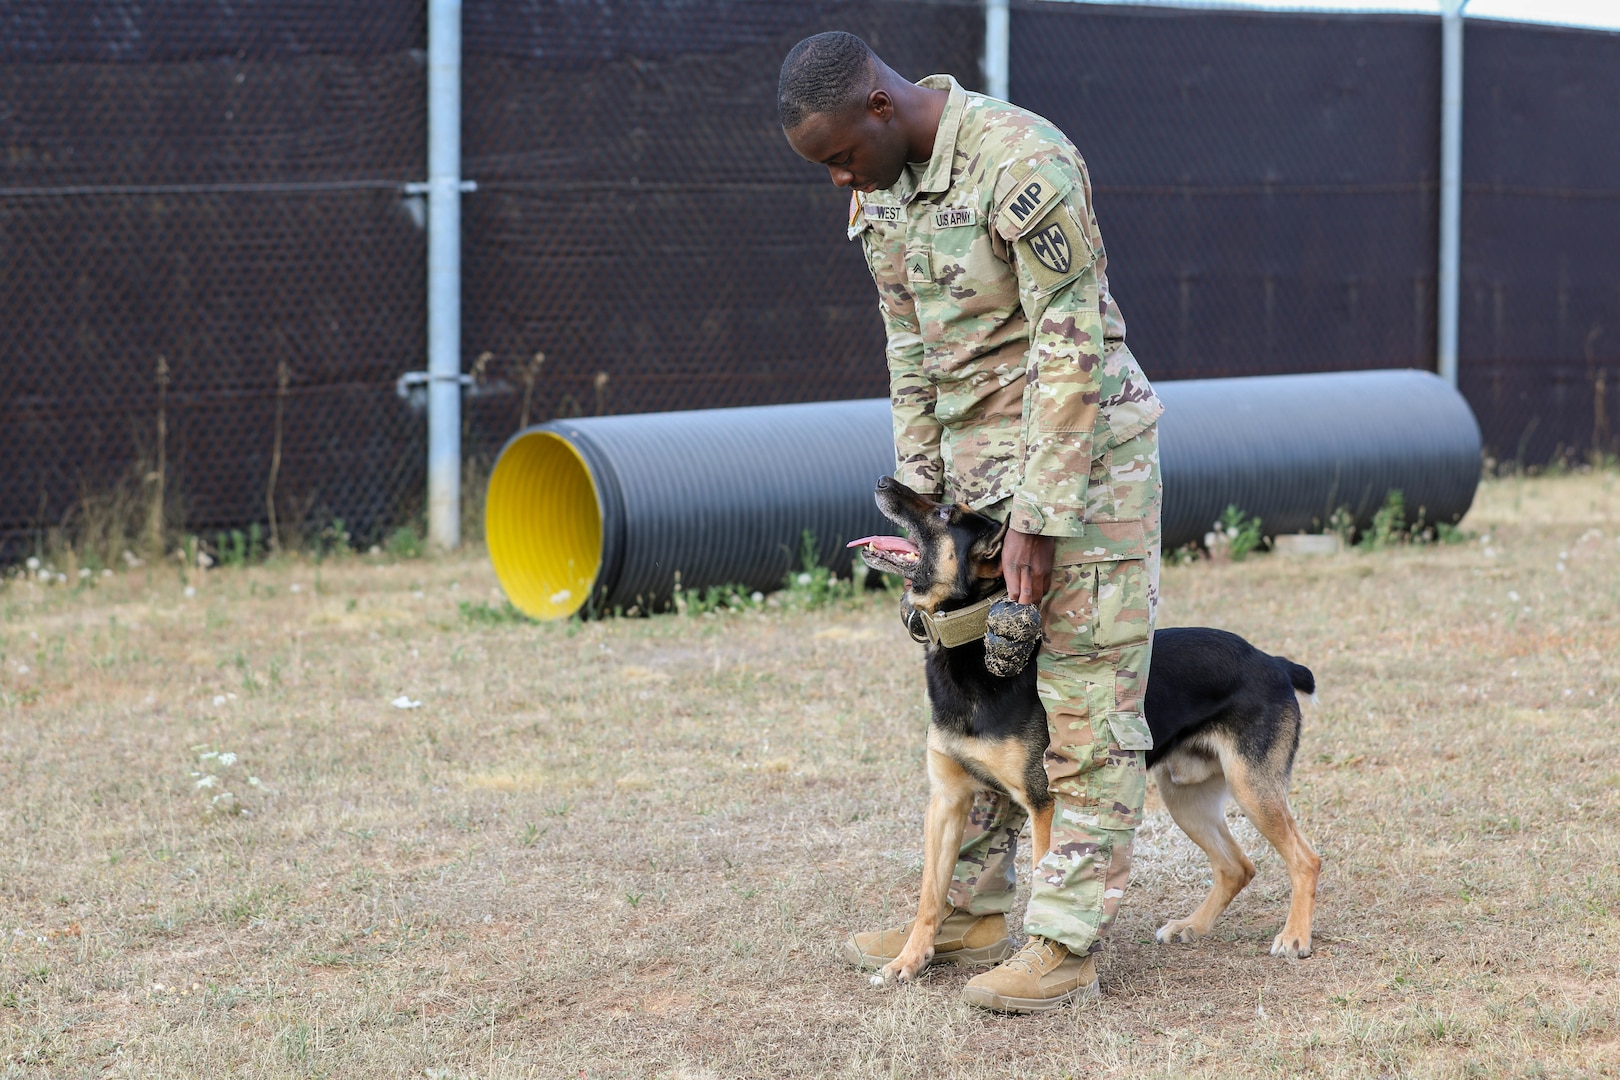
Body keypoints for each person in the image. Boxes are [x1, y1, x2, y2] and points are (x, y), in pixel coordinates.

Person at [778, 32, 1164, 1013]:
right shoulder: (882, 188)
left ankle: (1065, 941)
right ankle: (971, 914)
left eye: (838, 158)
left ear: (878, 104)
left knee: (1083, 704)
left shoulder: (1020, 160)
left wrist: (1040, 512)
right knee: (979, 690)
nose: (836, 181)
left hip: (1086, 471)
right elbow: (910, 355)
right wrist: (920, 506)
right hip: (971, 489)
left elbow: (1069, 339)